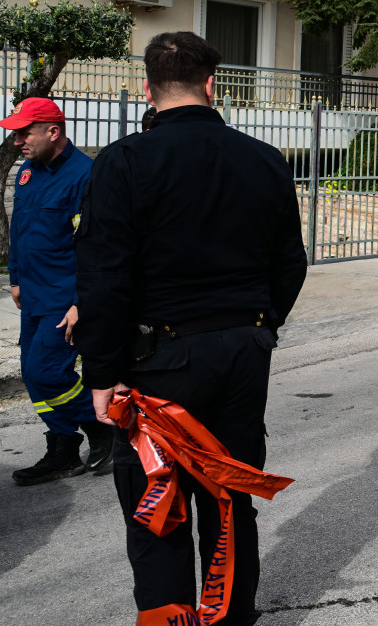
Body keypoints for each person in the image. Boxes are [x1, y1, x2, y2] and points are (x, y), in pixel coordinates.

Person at [74, 31, 307, 625]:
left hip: (160, 363)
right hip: (243, 350)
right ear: (211, 85)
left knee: (158, 504)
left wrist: (100, 375)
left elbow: (104, 277)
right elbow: (290, 264)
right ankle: (231, 619)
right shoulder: (264, 158)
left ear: (148, 91)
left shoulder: (124, 160)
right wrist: (260, 325)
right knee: (229, 497)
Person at [0, 97, 112, 484]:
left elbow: (96, 246)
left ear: (53, 131)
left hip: (65, 297)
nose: (17, 141)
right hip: (33, 293)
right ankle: (63, 448)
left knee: (47, 372)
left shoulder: (85, 176)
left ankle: (102, 426)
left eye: (24, 132)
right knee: (33, 375)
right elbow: (22, 230)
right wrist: (14, 277)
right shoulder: (29, 171)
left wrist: (82, 302)